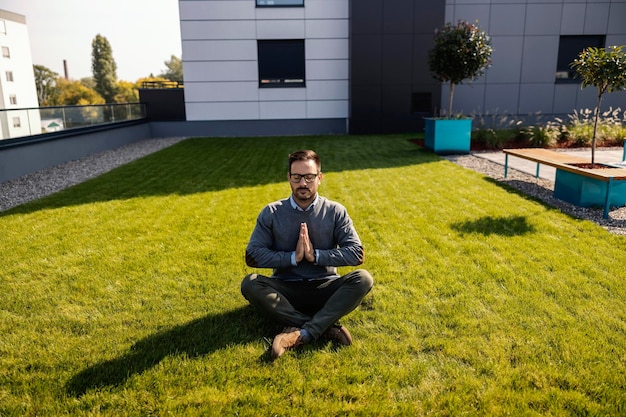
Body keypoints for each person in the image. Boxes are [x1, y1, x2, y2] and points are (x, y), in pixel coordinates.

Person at [241, 149, 374, 359]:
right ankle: (323, 327)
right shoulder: (272, 212)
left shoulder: (335, 211)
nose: (303, 183)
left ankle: (299, 331)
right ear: (289, 178)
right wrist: (293, 258)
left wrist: (316, 256)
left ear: (319, 178)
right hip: (285, 290)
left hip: (325, 286)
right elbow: (253, 256)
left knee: (363, 278)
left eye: (309, 177)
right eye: (297, 177)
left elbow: (356, 254)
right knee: (250, 283)